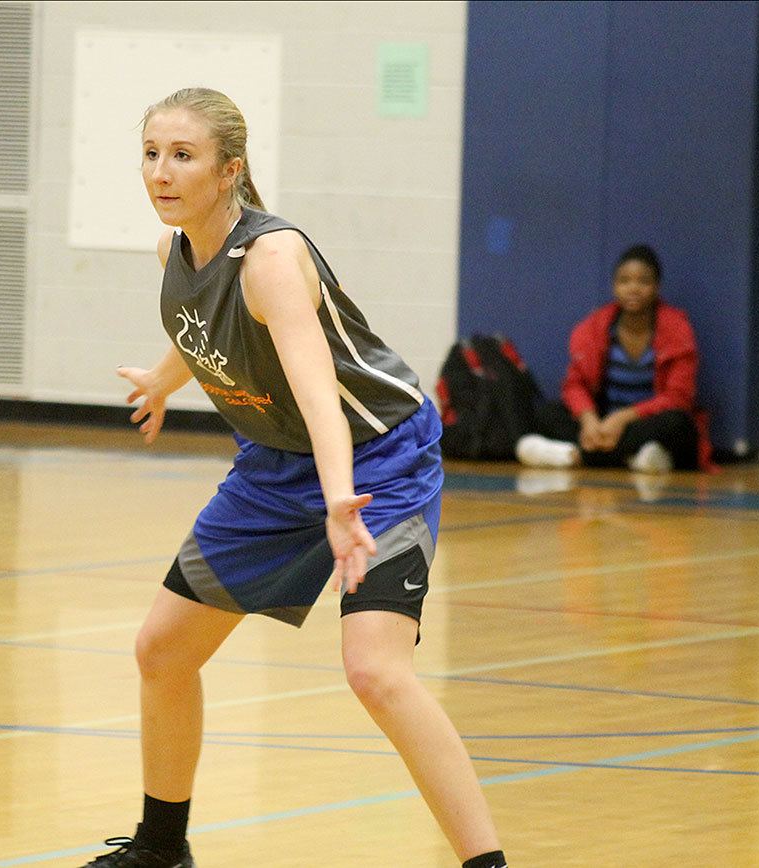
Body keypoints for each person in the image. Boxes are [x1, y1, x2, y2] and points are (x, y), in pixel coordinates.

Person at [82, 88, 506, 868]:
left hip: (376, 459)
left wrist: (342, 497)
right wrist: (162, 379)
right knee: (163, 651)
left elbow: (318, 391)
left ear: (228, 170)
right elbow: (204, 326)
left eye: (182, 156)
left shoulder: (272, 257)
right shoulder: (175, 251)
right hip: (275, 470)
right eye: (151, 154)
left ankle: (487, 863)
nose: (160, 172)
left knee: (376, 671)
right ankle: (161, 850)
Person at [515, 244, 712, 473]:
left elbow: (678, 397)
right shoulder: (595, 327)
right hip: (603, 422)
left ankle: (572, 456)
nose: (633, 289)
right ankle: (635, 459)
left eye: (643, 282)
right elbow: (574, 385)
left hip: (645, 422)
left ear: (657, 287)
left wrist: (624, 418)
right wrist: (589, 420)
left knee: (680, 425)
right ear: (614, 287)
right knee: (547, 413)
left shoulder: (677, 329)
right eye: (624, 281)